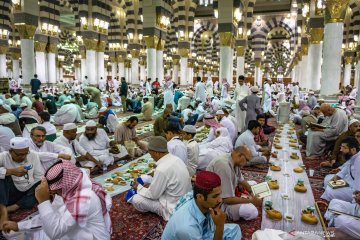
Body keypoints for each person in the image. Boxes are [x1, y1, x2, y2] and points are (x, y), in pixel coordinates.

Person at [2, 160, 112, 239]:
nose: (54, 193)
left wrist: (43, 201)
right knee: (39, 231)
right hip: (77, 229)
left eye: (56, 190)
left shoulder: (85, 197)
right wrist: (19, 226)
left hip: (92, 236)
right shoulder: (70, 189)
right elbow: (51, 215)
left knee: (46, 234)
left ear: (66, 184)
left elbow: (55, 232)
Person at [126, 136, 191, 220]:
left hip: (172, 207)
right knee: (149, 184)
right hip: (185, 200)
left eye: (151, 153)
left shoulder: (162, 169)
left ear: (157, 153)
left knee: (136, 199)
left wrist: (138, 187)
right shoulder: (176, 159)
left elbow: (153, 195)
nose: (151, 156)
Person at [162, 171, 242, 240]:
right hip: (191, 234)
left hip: (202, 232)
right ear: (200, 197)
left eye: (219, 194)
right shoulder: (188, 228)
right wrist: (220, 226)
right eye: (215, 196)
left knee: (234, 229)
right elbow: (190, 230)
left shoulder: (194, 196)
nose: (220, 200)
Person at [207, 146, 262, 221]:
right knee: (252, 211)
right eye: (246, 160)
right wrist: (251, 201)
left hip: (228, 191)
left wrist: (252, 192)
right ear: (240, 155)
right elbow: (227, 200)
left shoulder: (233, 160)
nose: (246, 163)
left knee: (253, 183)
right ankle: (226, 213)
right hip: (218, 203)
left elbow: (242, 181)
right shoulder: (223, 165)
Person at [0, 137, 44, 230]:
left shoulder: (33, 155)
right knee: (2, 176)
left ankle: (11, 208)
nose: (23, 157)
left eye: (25, 153)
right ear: (11, 151)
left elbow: (39, 176)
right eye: (19, 154)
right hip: (9, 194)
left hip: (28, 193)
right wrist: (10, 171)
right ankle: (3, 210)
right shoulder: (3, 156)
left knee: (43, 182)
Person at [321, 137, 360, 202]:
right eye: (341, 147)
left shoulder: (359, 161)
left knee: (330, 191)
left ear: (353, 149)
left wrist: (356, 200)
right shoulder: (354, 155)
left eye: (344, 147)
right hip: (349, 182)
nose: (341, 150)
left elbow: (358, 185)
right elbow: (347, 166)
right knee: (328, 179)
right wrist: (338, 176)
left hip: (355, 190)